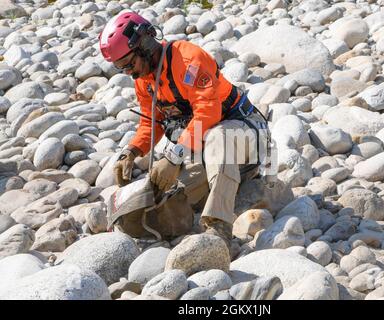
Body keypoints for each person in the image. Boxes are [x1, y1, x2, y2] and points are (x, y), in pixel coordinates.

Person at [99, 11, 272, 252]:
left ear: (145, 45)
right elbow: (152, 123)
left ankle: (219, 226)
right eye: (122, 69)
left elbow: (207, 112)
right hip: (203, 149)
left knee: (219, 136)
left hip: (246, 136)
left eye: (129, 64)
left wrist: (174, 156)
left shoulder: (189, 59)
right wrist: (131, 151)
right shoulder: (144, 81)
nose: (130, 73)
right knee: (167, 195)